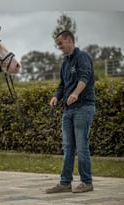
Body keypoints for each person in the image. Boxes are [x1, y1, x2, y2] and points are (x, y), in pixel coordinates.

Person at [46, 30, 96, 194]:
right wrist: (56, 96)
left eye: (60, 43)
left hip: (83, 107)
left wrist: (75, 93)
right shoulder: (65, 62)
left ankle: (87, 182)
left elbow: (85, 77)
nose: (58, 46)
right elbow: (62, 85)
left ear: (69, 41)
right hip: (68, 110)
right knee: (68, 146)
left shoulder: (82, 57)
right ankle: (65, 183)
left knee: (81, 146)